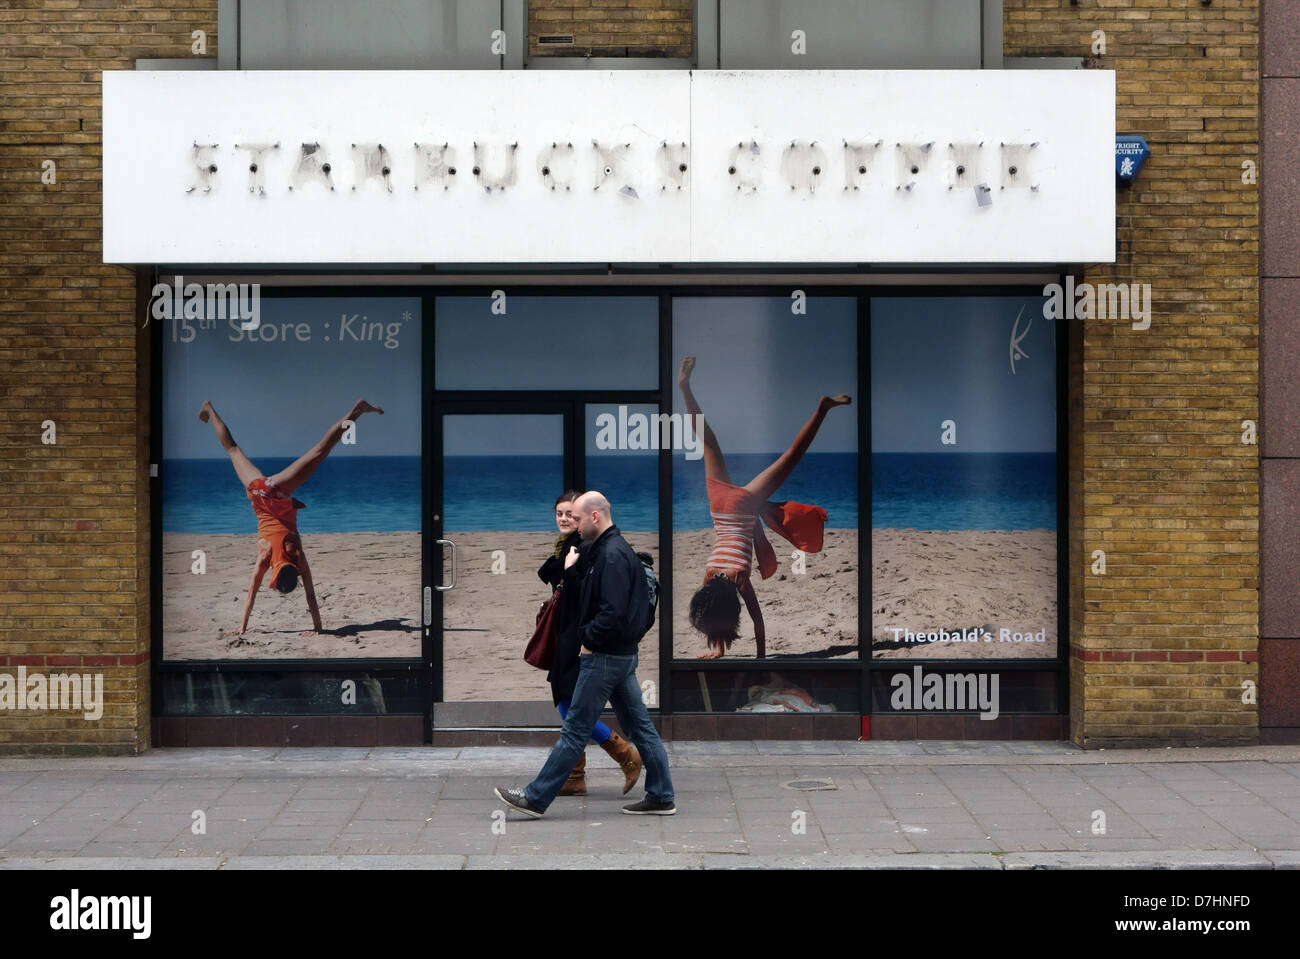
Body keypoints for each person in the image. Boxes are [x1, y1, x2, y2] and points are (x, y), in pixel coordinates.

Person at [496, 490, 674, 818]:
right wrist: (574, 571)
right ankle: (661, 794)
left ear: (595, 516)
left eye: (577, 518)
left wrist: (589, 640)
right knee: (640, 728)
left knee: (575, 729)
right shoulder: (608, 549)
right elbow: (591, 597)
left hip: (604, 657)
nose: (573, 524)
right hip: (619, 656)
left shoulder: (612, 555)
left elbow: (612, 610)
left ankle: (535, 798)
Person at [678, 356, 850, 659]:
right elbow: (714, 605)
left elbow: (758, 622)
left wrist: (759, 659)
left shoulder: (740, 580)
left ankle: (822, 409)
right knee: (708, 442)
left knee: (791, 457)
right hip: (719, 507)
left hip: (744, 509)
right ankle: (684, 387)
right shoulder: (710, 573)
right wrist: (720, 652)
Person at [198, 397, 383, 637]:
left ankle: (357, 412)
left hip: (277, 490)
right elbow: (252, 592)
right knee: (232, 449)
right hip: (259, 490)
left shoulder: (298, 557)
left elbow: (310, 595)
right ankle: (210, 410)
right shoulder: (266, 558)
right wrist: (242, 627)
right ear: (275, 575)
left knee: (320, 451)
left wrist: (318, 628)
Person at [539, 491, 642, 796]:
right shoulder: (568, 546)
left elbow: (585, 590)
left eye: (570, 514)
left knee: (570, 702)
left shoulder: (583, 548)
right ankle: (576, 775)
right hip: (568, 631)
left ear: (584, 517)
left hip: (577, 634)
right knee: (568, 699)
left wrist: (566, 569)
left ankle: (624, 753)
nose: (564, 519)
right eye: (559, 513)